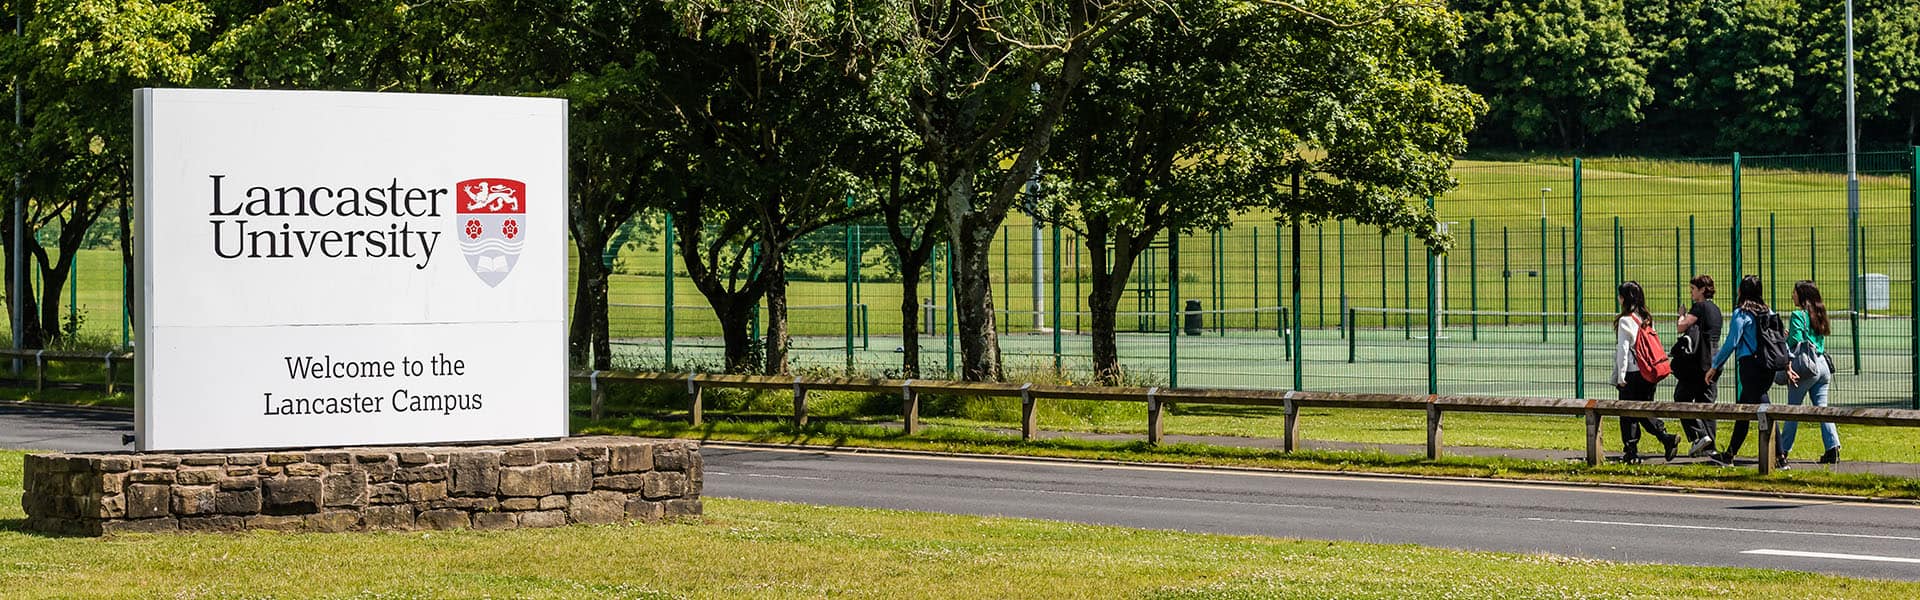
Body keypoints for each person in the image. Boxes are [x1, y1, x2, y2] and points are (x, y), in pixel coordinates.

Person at [1705, 275, 1775, 466]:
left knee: (1762, 409)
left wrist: (1715, 365)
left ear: (1742, 291)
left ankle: (1780, 456)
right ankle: (1730, 454)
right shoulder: (1768, 311)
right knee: (1745, 410)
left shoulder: (1742, 313)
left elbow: (1731, 342)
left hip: (1751, 366)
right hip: (1768, 366)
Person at [1611, 281, 1679, 464]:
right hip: (1648, 373)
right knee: (1642, 410)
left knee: (1628, 414)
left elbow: (1623, 351)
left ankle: (1632, 451)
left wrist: (1621, 376)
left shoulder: (1625, 321)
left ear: (1624, 298)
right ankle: (1665, 438)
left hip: (1633, 373)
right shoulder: (1646, 318)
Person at [1779, 280, 1839, 466]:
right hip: (1822, 365)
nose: (1792, 295)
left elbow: (1795, 341)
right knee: (1822, 409)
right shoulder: (1819, 314)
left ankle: (1782, 451)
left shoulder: (1798, 315)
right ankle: (1832, 447)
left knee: (1793, 410)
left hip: (1806, 366)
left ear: (1802, 295)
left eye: (1794, 292)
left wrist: (1785, 338)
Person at [1671, 275, 1721, 458]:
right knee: (1706, 403)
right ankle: (1709, 446)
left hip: (1699, 363)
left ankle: (1698, 435)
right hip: (1714, 361)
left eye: (1693, 289)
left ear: (1702, 290)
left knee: (1681, 397)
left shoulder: (1700, 307)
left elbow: (1682, 326)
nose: (1691, 292)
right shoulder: (1716, 309)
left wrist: (1681, 314)